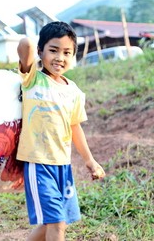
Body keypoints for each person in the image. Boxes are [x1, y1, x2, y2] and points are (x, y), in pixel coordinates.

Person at [16, 21, 105, 241]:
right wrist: (32, 44)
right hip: (38, 163)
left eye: (67, 52)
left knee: (54, 223)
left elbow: (75, 127)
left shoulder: (73, 91)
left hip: (62, 165)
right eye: (53, 50)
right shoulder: (32, 79)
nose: (60, 58)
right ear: (41, 52)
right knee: (56, 222)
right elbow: (24, 45)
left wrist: (90, 161)